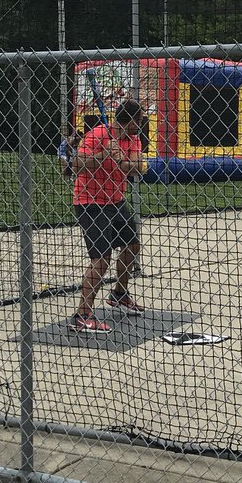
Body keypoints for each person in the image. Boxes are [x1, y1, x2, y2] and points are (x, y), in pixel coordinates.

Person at [69, 98, 145, 334]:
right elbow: (76, 166)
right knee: (101, 260)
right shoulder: (96, 135)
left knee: (132, 246)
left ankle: (119, 293)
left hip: (116, 200)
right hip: (90, 202)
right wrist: (102, 156)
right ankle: (82, 315)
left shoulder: (133, 139)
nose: (141, 123)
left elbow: (137, 168)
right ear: (130, 120)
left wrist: (119, 157)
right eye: (139, 119)